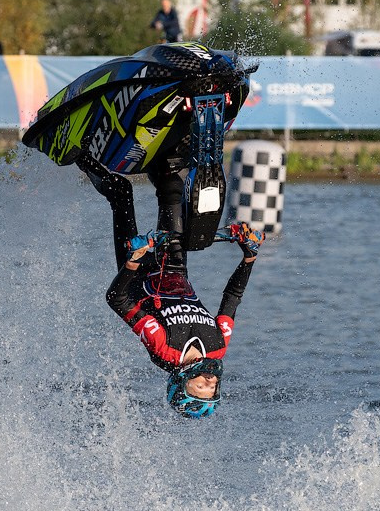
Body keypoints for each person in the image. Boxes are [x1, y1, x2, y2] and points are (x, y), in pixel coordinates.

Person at [79, 156, 262, 418]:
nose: (210, 382)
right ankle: (161, 144)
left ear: (180, 380)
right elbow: (233, 297)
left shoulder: (166, 349)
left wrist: (133, 260)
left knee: (121, 192)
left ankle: (76, 153)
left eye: (199, 387)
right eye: (212, 388)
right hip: (174, 265)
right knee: (172, 187)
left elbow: (116, 299)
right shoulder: (218, 346)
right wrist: (249, 258)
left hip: (137, 272)